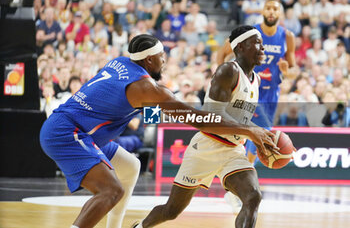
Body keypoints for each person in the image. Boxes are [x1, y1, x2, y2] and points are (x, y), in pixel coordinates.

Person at [40, 34, 277, 228]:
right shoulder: (148, 88)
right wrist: (250, 131)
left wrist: (169, 110)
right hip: (68, 133)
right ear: (150, 60)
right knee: (111, 191)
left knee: (131, 166)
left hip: (79, 130)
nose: (165, 61)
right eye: (162, 56)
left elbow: (137, 109)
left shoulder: (120, 63)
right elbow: (200, 121)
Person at [133, 26, 278, 228]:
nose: (263, 48)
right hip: (206, 147)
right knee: (171, 211)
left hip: (234, 150)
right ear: (241, 47)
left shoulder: (257, 80)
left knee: (253, 197)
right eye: (257, 43)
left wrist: (260, 134)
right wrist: (250, 131)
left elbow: (240, 118)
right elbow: (213, 118)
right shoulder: (228, 71)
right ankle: (140, 226)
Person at [217, 0, 296, 164]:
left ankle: (242, 165)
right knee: (262, 129)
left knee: (254, 131)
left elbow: (294, 70)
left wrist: (286, 70)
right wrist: (221, 74)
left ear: (280, 13)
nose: (272, 12)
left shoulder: (287, 36)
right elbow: (223, 51)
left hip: (272, 91)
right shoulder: (250, 33)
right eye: (268, 8)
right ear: (263, 11)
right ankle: (246, 166)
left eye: (275, 9)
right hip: (250, 89)